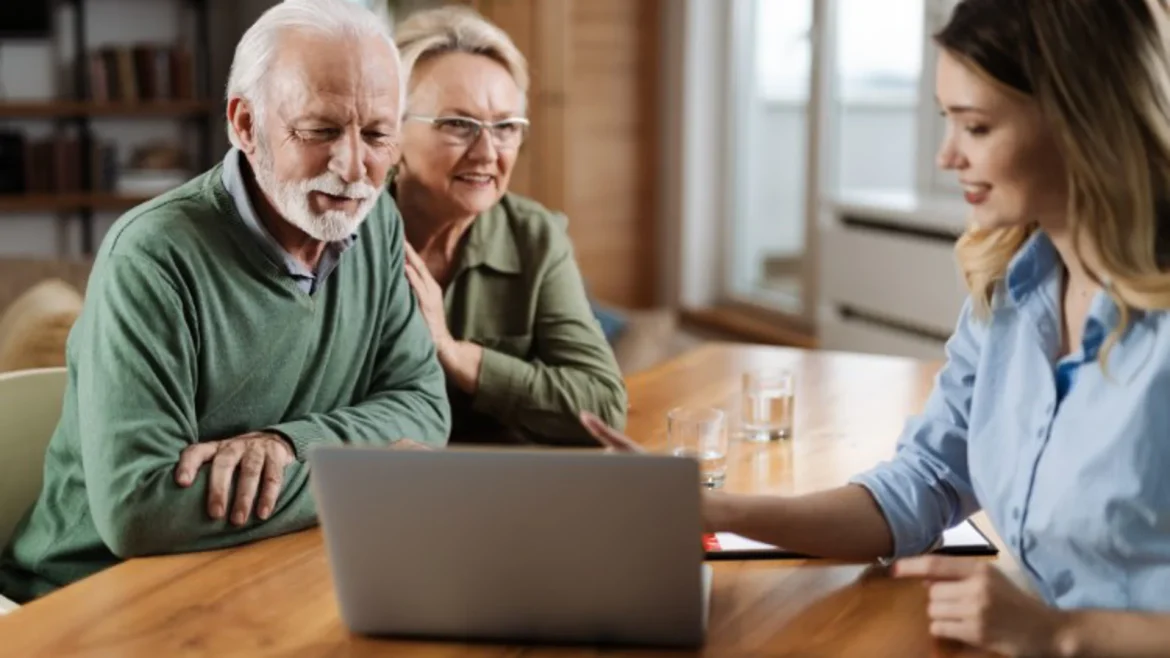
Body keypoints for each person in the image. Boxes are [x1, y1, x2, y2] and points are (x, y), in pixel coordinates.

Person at [583, 0, 1170, 655]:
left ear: (1084, 122)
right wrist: (713, 510)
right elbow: (921, 483)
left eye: (975, 127)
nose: (948, 155)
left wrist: (1061, 633)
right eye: (947, 121)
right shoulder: (1012, 286)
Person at [0, 0, 450, 604]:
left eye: (377, 134)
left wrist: (290, 443)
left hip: (256, 572)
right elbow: (140, 508)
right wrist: (366, 475)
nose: (353, 168)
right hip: (83, 594)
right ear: (244, 124)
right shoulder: (151, 257)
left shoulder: (377, 222)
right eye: (319, 131)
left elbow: (423, 407)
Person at [390, 7, 628, 446]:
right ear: (391, 131)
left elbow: (604, 407)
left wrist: (457, 355)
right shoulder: (347, 233)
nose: (487, 152)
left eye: (505, 127)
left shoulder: (536, 237)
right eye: (458, 124)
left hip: (504, 490)